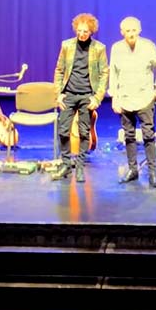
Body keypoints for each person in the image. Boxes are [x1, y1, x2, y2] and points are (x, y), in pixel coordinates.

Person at [110, 16, 156, 188]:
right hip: (125, 98)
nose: (131, 33)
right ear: (122, 32)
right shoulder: (116, 48)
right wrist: (114, 98)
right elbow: (113, 73)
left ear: (139, 30)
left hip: (144, 98)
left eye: (134, 30)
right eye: (128, 31)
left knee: (148, 135)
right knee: (129, 135)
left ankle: (152, 173)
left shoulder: (148, 46)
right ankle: (132, 170)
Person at [52, 12, 109, 183]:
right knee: (63, 131)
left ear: (91, 31)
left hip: (87, 96)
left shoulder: (99, 48)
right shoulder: (67, 45)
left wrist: (97, 98)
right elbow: (59, 70)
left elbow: (104, 74)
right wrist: (58, 94)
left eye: (85, 31)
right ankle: (65, 164)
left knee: (84, 133)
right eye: (79, 30)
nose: (82, 34)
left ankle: (80, 166)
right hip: (68, 94)